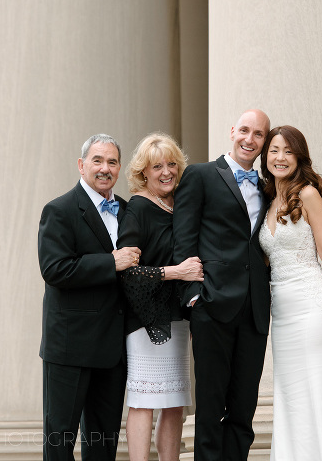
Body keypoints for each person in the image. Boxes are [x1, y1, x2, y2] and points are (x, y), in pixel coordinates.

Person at [172, 109, 272, 461]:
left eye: (258, 134)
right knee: (211, 406)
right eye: (244, 130)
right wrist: (195, 296)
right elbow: (184, 238)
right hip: (212, 305)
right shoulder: (199, 175)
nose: (249, 139)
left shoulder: (267, 186)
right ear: (232, 130)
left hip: (256, 309)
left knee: (244, 408)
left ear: (264, 141)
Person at [38, 133, 141, 461]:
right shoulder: (59, 210)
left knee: (103, 445)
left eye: (112, 162)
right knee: (59, 442)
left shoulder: (127, 211)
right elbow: (55, 269)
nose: (105, 168)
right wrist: (112, 261)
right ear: (82, 165)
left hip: (112, 350)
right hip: (70, 347)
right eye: (97, 160)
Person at [257, 125, 322, 460]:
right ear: (265, 156)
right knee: (290, 394)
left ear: (299, 157)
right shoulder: (266, 200)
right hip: (280, 311)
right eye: (274, 151)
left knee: (316, 387)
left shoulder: (308, 194)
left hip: (312, 304)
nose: (280, 158)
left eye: (288, 151)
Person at [116, 133, 204, 461]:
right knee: (143, 399)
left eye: (171, 164)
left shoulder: (179, 204)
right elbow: (128, 273)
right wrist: (175, 272)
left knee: (174, 400)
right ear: (144, 173)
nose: (166, 172)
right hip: (145, 320)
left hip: (177, 317)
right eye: (157, 167)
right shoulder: (138, 208)